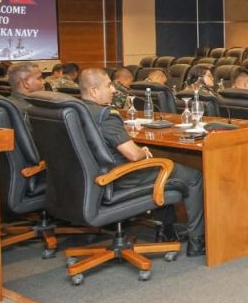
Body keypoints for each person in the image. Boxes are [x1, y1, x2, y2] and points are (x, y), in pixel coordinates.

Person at [78, 68, 206, 256]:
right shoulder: (106, 115)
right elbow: (133, 155)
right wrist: (142, 152)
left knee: (163, 167)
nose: (113, 89)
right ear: (94, 91)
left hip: (93, 179)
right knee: (192, 176)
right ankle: (197, 242)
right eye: (108, 86)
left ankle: (167, 231)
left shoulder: (75, 111)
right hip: (122, 178)